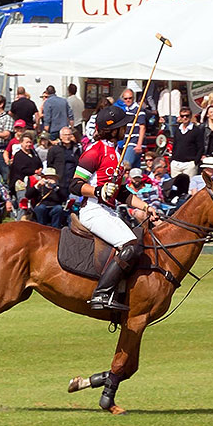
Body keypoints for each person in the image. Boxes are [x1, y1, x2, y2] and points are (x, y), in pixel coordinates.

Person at [73, 104, 154, 311]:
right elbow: (74, 185)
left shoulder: (116, 152)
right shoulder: (95, 150)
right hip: (92, 210)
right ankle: (101, 294)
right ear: (113, 129)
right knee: (131, 245)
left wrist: (145, 206)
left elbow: (121, 193)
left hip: (106, 210)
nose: (126, 129)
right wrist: (99, 191)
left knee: (138, 243)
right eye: (123, 126)